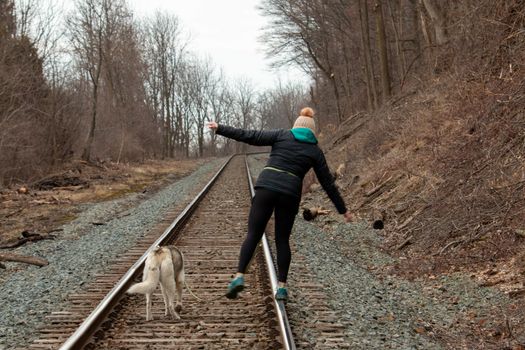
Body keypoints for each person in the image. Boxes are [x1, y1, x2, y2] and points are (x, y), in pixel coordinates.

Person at [207, 107, 352, 302]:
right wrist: (343, 210)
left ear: (296, 126)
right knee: (282, 240)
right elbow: (328, 183)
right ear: (312, 131)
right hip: (290, 195)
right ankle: (282, 287)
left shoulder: (282, 135)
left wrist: (220, 128)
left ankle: (239, 276)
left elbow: (250, 135)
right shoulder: (315, 151)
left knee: (254, 234)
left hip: (266, 188)